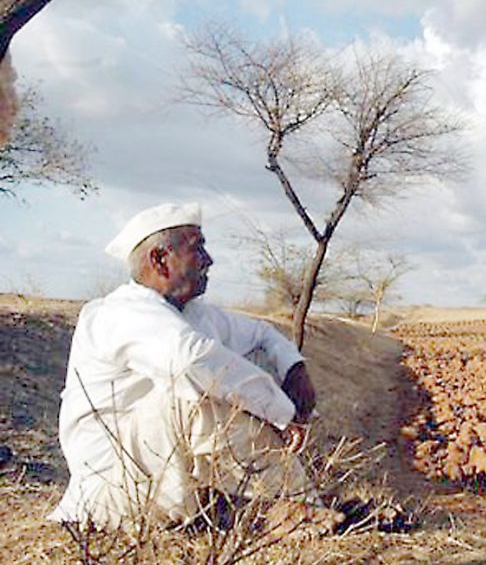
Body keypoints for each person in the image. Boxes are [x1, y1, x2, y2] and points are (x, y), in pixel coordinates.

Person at [48, 202, 318, 528]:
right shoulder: (118, 313)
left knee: (235, 378)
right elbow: (192, 361)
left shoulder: (192, 313)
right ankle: (295, 507)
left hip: (158, 474)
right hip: (114, 487)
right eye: (197, 248)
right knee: (199, 396)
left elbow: (262, 334)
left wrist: (294, 368)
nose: (209, 260)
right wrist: (283, 414)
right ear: (160, 260)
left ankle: (297, 505)